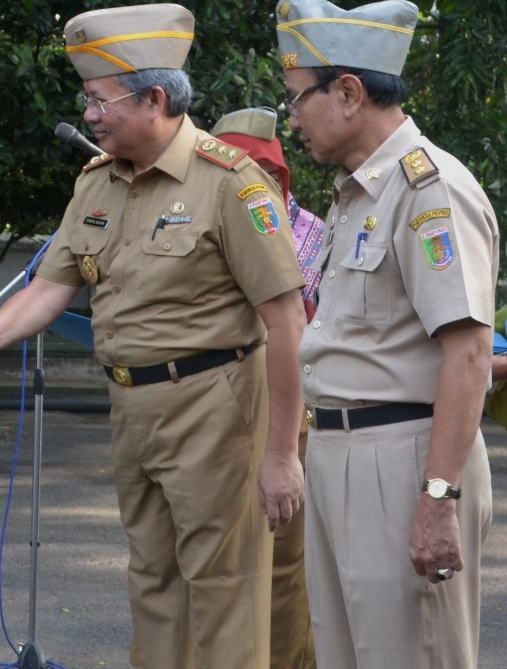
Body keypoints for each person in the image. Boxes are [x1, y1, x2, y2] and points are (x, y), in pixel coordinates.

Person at [0, 3, 308, 669]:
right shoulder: (95, 182)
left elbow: (286, 321)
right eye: (87, 101)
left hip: (215, 405)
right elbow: (51, 287)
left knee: (226, 589)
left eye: (99, 101)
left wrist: (282, 454)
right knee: (153, 583)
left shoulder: (230, 183)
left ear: (155, 99)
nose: (89, 116)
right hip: (131, 408)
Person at [274, 0, 497, 669]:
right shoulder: (356, 195)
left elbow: (468, 353)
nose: (290, 120)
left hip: (402, 460)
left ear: (346, 93)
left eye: (295, 99)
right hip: (339, 452)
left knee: (411, 656)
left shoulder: (429, 190)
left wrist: (438, 499)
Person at [211, 107, 321, 669]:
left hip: (291, 413)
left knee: (283, 567)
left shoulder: (314, 235)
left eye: (263, 173)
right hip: (222, 414)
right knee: (221, 565)